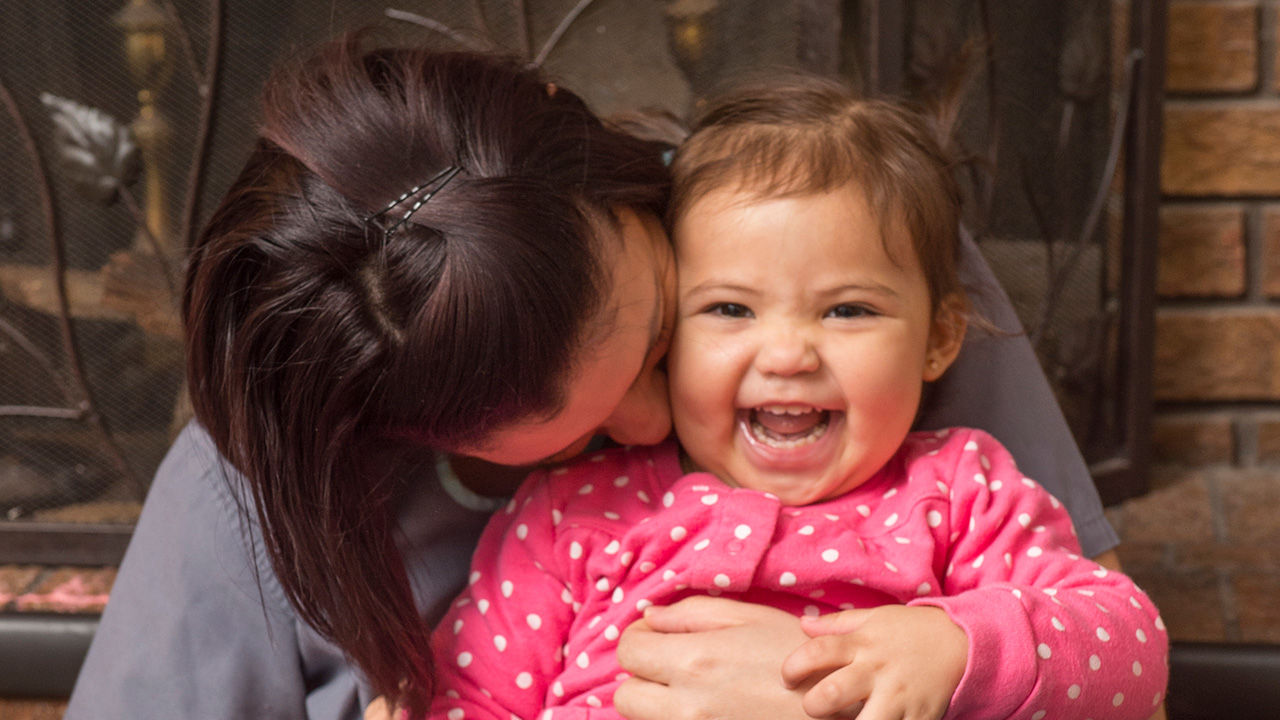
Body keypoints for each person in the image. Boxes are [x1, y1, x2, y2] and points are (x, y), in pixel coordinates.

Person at [65, 37, 1122, 720]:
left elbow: (1112, 664)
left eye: (669, 327)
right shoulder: (553, 521)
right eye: (574, 435)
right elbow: (478, 691)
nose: (660, 418)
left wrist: (849, 684)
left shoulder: (839, 241)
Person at [423, 82, 1167, 720]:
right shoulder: (571, 513)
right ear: (665, 338)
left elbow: (1129, 648)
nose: (787, 355)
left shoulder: (959, 495)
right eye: (729, 310)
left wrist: (956, 650)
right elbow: (474, 698)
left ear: (940, 339)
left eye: (847, 310)